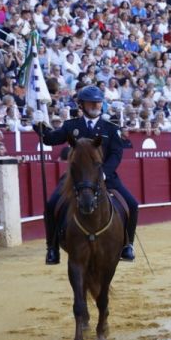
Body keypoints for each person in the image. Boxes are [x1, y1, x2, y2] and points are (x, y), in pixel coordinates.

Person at [34, 85, 137, 264]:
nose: (96, 105)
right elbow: (50, 139)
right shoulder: (71, 126)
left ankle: (127, 245)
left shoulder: (110, 128)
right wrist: (39, 125)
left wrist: (105, 172)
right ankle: (52, 247)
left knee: (132, 205)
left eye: (98, 102)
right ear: (81, 105)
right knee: (51, 205)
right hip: (76, 178)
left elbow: (116, 153)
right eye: (91, 102)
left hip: (105, 176)